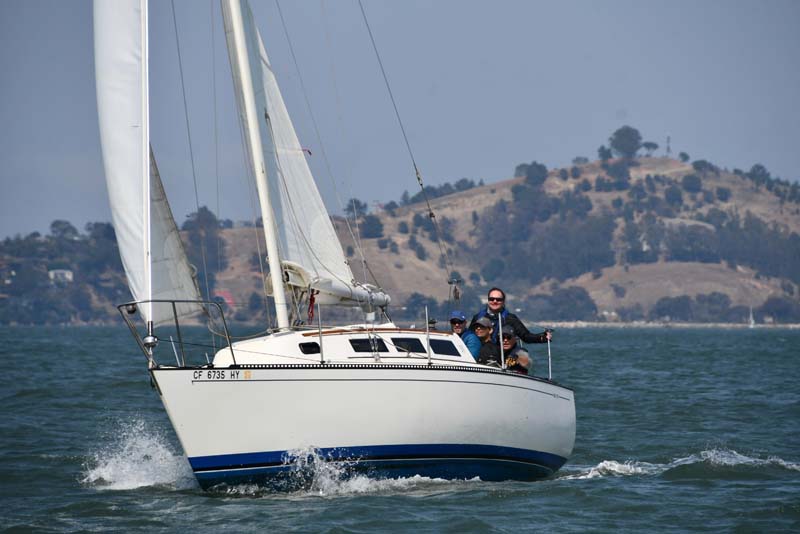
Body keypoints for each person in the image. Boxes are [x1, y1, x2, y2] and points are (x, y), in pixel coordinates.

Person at [470, 287, 552, 346]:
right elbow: (469, 336)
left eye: (498, 299)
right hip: (480, 353)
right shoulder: (478, 317)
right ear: (488, 300)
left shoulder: (510, 319)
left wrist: (542, 337)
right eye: (492, 299)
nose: (495, 301)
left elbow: (526, 336)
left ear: (503, 302)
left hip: (501, 356)